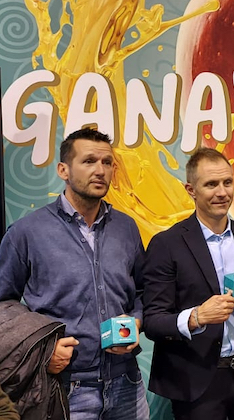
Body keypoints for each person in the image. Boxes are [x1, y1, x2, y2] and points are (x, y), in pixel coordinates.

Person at [0, 127, 148, 420]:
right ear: (63, 170)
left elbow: (143, 291)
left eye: (107, 163)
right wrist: (43, 350)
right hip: (66, 388)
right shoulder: (27, 232)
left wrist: (138, 320)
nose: (100, 170)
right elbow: (3, 304)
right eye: (89, 161)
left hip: (127, 383)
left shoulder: (126, 227)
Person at [142, 148, 234, 420]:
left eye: (227, 182)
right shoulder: (166, 244)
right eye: (211, 184)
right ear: (190, 190)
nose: (222, 192)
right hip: (197, 380)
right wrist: (197, 317)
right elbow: (153, 321)